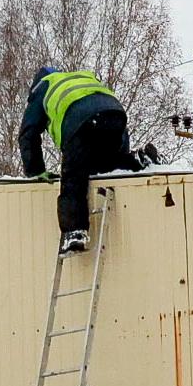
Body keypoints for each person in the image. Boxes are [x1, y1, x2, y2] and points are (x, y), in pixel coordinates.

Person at [18, 66, 156, 254]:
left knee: (73, 177)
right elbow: (105, 110)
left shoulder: (42, 89)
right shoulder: (82, 77)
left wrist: (35, 171)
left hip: (81, 120)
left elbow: (28, 134)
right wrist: (122, 156)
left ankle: (74, 232)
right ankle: (138, 160)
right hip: (114, 113)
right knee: (106, 164)